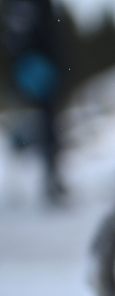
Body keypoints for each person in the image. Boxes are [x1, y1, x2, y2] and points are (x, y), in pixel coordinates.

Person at [1, 0, 67, 204]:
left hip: (37, 66)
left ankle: (50, 176)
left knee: (46, 123)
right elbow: (21, 33)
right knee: (40, 123)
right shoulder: (27, 5)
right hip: (34, 67)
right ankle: (40, 178)